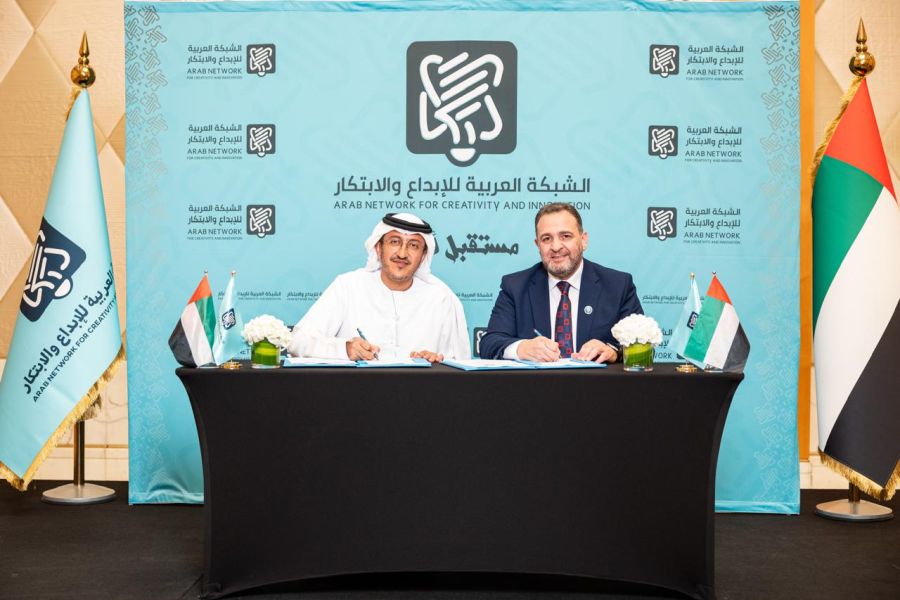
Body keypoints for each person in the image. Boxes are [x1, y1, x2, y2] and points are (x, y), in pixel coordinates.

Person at [287, 213, 470, 362]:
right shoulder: (348, 286)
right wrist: (344, 349)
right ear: (378, 248)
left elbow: (458, 364)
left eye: (413, 246)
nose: (402, 254)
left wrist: (437, 361)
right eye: (394, 242)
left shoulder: (441, 298)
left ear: (423, 256)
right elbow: (297, 341)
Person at [479, 202, 642, 363]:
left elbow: (642, 343)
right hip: (536, 381)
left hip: (596, 381)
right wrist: (521, 348)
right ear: (537, 245)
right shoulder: (515, 287)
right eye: (546, 239)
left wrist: (613, 351)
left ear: (583, 240)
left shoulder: (618, 285)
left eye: (565, 236)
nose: (556, 247)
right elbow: (489, 344)